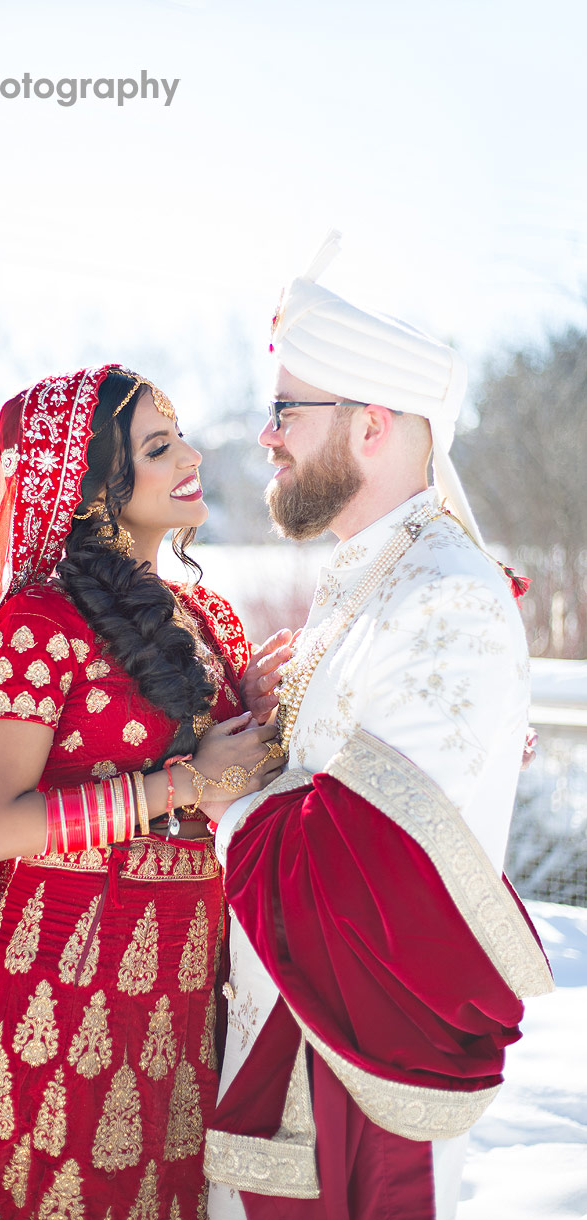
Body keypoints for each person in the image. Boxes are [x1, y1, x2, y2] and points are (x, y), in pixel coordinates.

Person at [0, 365, 290, 1220]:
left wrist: (271, 710)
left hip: (186, 988)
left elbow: (231, 779)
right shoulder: (42, 621)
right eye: (157, 448)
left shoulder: (204, 617)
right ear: (87, 492)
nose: (189, 456)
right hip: (65, 981)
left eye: (178, 434)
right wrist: (182, 781)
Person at [202, 235, 554, 1220]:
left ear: (373, 425)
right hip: (287, 1051)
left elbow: (359, 875)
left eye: (285, 411)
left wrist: (218, 785)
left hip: (352, 1096)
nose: (266, 437)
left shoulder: (446, 599)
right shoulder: (369, 578)